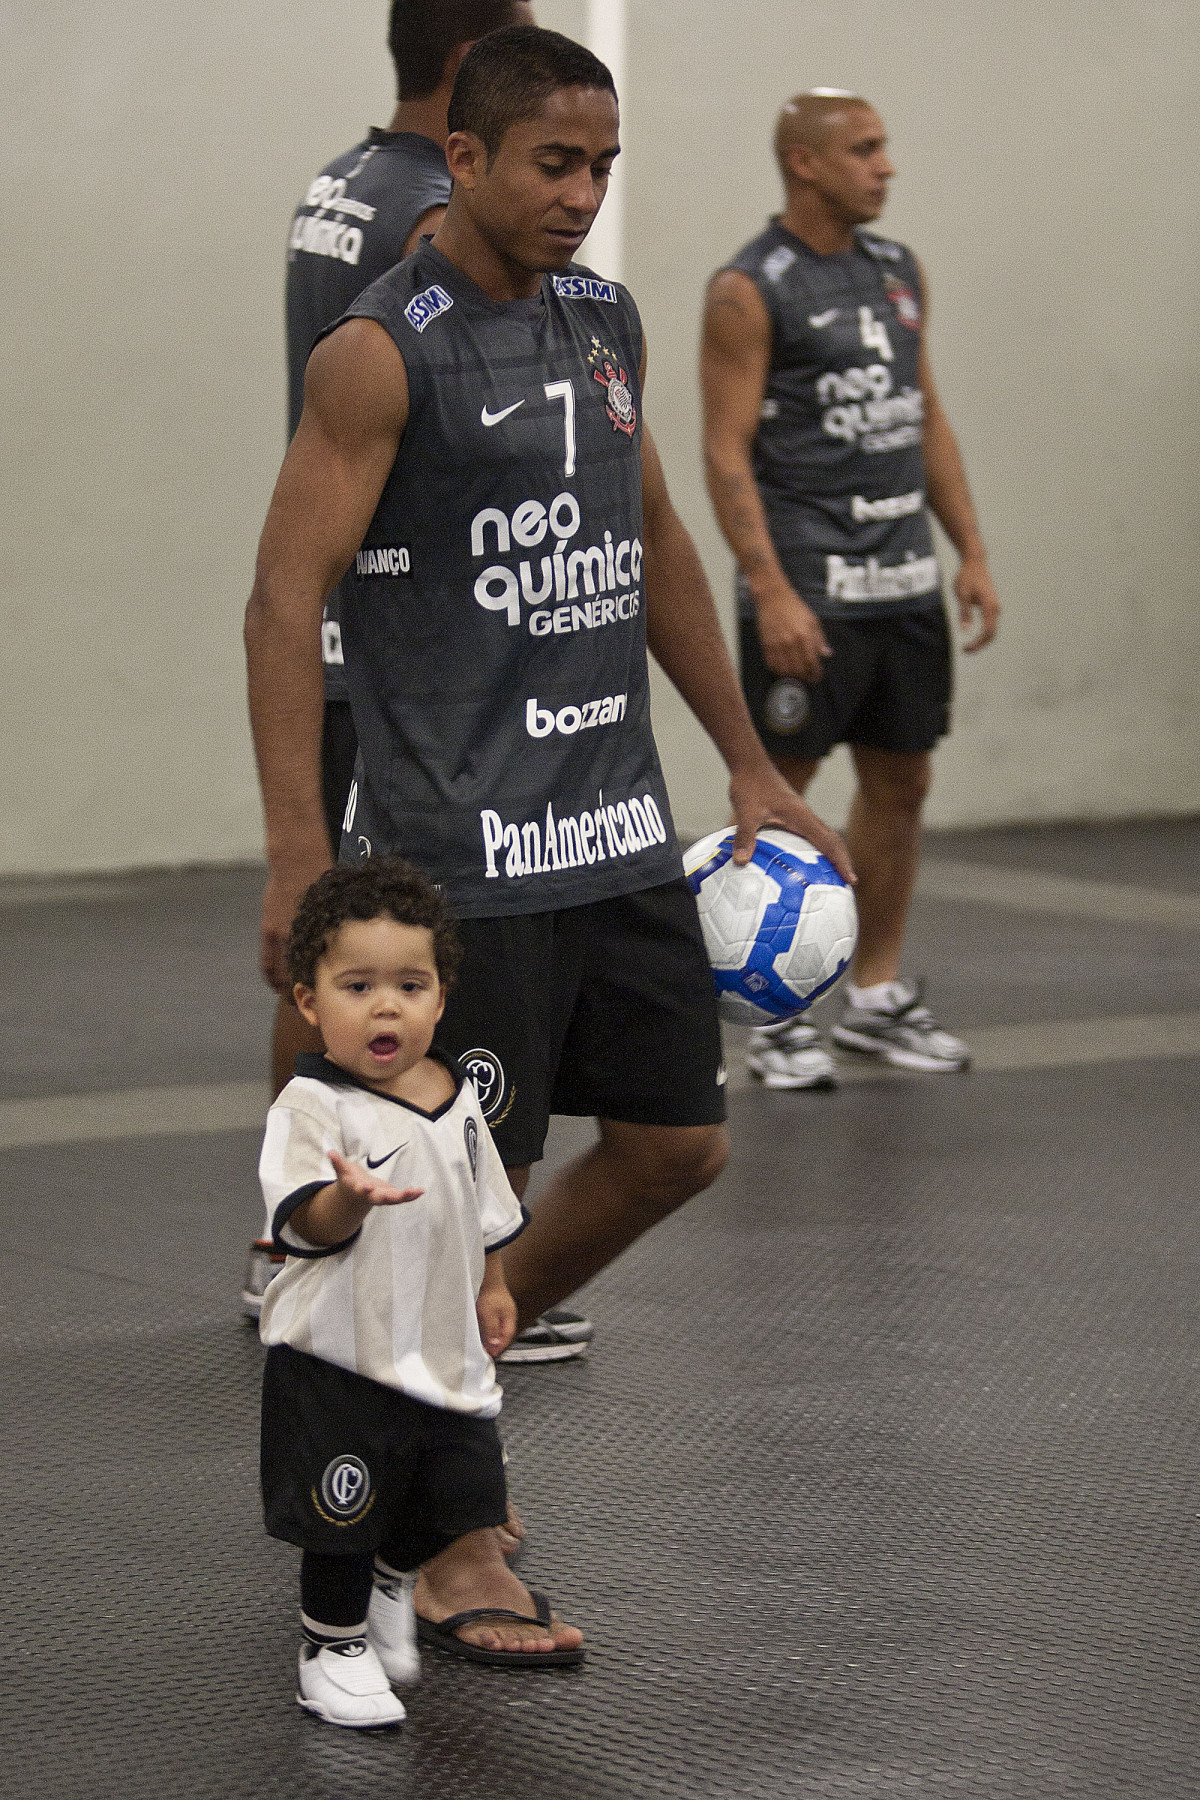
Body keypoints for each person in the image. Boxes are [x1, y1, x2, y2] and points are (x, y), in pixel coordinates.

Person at [245, 23, 851, 1644]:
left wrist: (748, 762)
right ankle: (459, 1540)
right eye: (552, 164)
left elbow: (644, 532)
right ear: (465, 159)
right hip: (461, 858)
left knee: (675, 1148)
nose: (583, 196)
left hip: (618, 829)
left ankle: (441, 1345)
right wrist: (301, 856)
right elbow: (280, 595)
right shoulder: (382, 351)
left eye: (603, 167)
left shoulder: (604, 318)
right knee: (461, 1193)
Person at [243, 3, 578, 1362]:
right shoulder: (427, 222)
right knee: (375, 972)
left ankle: (287, 1231)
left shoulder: (340, 183)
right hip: (393, 655)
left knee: (322, 975)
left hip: (343, 648)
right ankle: (380, 1246)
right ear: (467, 78)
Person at [701, 89, 1000, 1089]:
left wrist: (971, 551)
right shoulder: (750, 288)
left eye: (885, 148)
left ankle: (873, 996)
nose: (887, 167)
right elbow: (725, 452)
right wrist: (771, 590)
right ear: (806, 163)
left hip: (904, 583)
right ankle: (774, 1015)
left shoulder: (897, 270)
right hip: (810, 588)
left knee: (902, 784)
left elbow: (929, 420)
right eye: (866, 151)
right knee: (781, 798)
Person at [259, 858, 584, 1729]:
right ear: (309, 1001)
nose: (386, 1007)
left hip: (439, 1352)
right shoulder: (313, 1108)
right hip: (341, 1357)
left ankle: (392, 1584)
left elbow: (485, 1205)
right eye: (357, 985)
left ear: (442, 1001)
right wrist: (345, 1199)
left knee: (456, 1496)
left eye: (410, 985)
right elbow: (304, 1225)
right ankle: (329, 1651)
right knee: (342, 1514)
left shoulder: (455, 1094)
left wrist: (497, 1282)